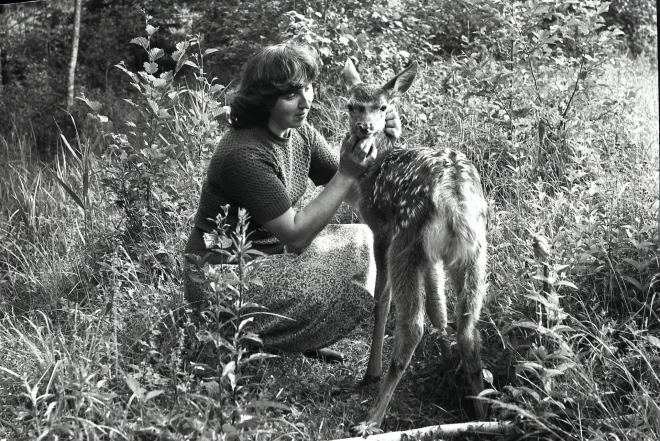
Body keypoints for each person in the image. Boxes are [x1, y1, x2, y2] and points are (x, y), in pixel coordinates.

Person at [183, 43, 401, 362]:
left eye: (308, 88)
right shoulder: (243, 153)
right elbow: (296, 234)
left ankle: (289, 338)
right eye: (290, 95)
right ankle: (234, 338)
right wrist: (345, 172)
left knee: (362, 241)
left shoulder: (299, 133)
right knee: (336, 292)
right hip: (219, 277)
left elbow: (358, 195)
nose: (305, 102)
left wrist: (381, 140)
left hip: (272, 257)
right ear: (264, 100)